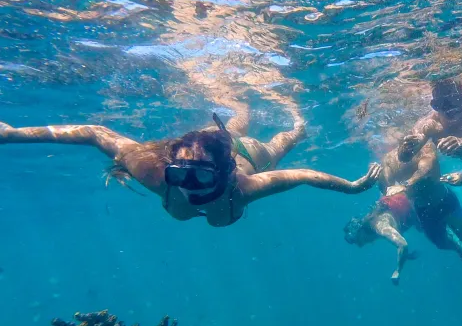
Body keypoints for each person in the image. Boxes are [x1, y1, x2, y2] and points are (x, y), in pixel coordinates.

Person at [0, 110, 380, 227]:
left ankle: (297, 122)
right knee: (229, 126)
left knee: (281, 144)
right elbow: (94, 132)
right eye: (177, 174)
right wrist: (14, 133)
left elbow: (303, 175)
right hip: (218, 146)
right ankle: (236, 107)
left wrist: (353, 187)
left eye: (197, 176)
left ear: (226, 175)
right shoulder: (155, 172)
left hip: (248, 151)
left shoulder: (243, 185)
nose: (183, 186)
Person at [377, 135, 462, 268]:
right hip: (423, 210)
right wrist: (379, 178)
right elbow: (387, 185)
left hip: (443, 200)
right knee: (440, 244)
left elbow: (425, 169)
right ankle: (459, 249)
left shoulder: (424, 147)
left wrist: (406, 184)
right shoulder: (388, 159)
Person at [343, 192, 419, 285]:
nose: (360, 245)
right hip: (404, 197)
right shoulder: (373, 220)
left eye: (357, 240)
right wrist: (405, 255)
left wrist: (397, 270)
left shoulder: (379, 226)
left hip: (415, 201)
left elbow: (402, 244)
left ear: (360, 231)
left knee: (440, 242)